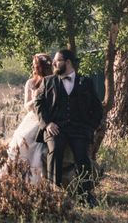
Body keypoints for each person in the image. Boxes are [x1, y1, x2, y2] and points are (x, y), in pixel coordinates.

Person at [34, 49, 103, 207]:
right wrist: (47, 124)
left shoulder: (86, 82)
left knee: (82, 156)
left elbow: (97, 108)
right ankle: (53, 194)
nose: (53, 63)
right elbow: (39, 104)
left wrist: (90, 127)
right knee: (55, 150)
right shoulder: (48, 81)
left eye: (57, 61)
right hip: (55, 127)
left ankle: (85, 195)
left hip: (79, 129)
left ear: (68, 62)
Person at [0, 53, 52, 182]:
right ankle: (13, 172)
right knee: (21, 139)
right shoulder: (30, 83)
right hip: (33, 118)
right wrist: (36, 99)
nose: (33, 67)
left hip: (48, 117)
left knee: (38, 147)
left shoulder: (53, 81)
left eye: (36, 65)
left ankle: (35, 177)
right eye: (34, 65)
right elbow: (27, 105)